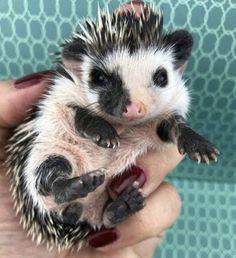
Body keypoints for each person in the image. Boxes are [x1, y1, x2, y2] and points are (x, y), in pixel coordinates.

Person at [0, 2, 184, 257]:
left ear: (178, 67)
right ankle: (61, 187)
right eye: (100, 79)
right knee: (54, 159)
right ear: (76, 66)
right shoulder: (70, 90)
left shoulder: (168, 102)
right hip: (63, 164)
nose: (130, 107)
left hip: (97, 188)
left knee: (115, 185)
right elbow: (71, 113)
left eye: (158, 78)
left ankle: (105, 210)